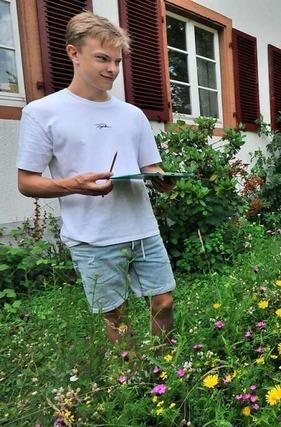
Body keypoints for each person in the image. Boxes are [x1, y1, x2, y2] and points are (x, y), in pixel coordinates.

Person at [16, 12, 177, 345]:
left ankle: (166, 374)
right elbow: (26, 182)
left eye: (117, 61)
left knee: (163, 302)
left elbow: (151, 166)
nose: (112, 69)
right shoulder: (42, 112)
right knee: (117, 317)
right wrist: (74, 185)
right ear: (73, 53)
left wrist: (162, 178)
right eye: (102, 59)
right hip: (92, 237)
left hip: (142, 229)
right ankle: (130, 381)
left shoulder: (133, 115)